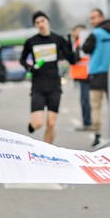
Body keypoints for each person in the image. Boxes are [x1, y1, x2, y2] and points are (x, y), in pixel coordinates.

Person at [19, 11, 74, 144]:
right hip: (38, 86)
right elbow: (22, 60)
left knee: (51, 123)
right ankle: (32, 125)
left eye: (42, 21)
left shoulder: (58, 39)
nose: (40, 24)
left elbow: (72, 59)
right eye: (37, 23)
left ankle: (47, 151)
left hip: (54, 85)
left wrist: (69, 45)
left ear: (47, 21)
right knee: (38, 123)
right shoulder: (31, 42)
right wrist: (29, 68)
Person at [82, 8, 110, 147]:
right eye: (91, 18)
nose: (92, 21)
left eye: (94, 17)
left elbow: (85, 49)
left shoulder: (95, 34)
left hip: (98, 73)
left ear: (101, 17)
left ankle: (97, 135)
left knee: (96, 106)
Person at [68, 24, 92, 130]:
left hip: (85, 75)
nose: (74, 32)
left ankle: (88, 123)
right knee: (85, 100)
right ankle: (88, 122)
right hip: (83, 75)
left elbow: (75, 58)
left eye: (77, 30)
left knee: (85, 100)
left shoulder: (81, 42)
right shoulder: (77, 42)